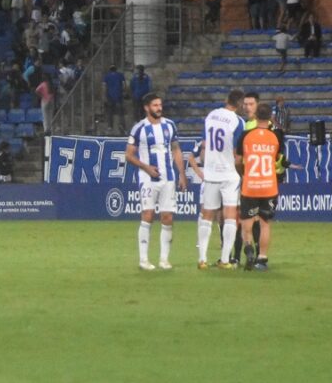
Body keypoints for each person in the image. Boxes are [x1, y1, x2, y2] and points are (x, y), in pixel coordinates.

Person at [125, 93, 188, 270]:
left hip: (168, 178)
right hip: (148, 179)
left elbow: (176, 150)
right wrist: (146, 167)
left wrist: (182, 175)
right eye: (155, 105)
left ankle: (164, 259)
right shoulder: (139, 128)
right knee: (148, 215)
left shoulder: (170, 125)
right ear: (147, 107)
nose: (159, 108)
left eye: (160, 105)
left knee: (167, 217)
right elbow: (129, 155)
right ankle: (143, 259)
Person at [196, 89, 245, 270]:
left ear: (226, 100)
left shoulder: (211, 116)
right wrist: (240, 172)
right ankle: (225, 260)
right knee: (230, 215)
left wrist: (207, 162)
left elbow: (203, 147)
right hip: (229, 173)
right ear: (239, 104)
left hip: (211, 173)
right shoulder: (238, 122)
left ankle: (202, 259)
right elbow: (236, 154)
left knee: (207, 215)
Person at [235, 103, 283, 271]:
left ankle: (248, 249)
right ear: (270, 117)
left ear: (255, 116)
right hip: (269, 186)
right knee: (265, 224)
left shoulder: (246, 136)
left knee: (246, 224)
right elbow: (277, 160)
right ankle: (262, 259)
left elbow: (238, 161)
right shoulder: (275, 137)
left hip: (250, 185)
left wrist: (243, 174)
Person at [103, 64, 126, 134]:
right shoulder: (120, 75)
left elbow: (104, 86)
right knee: (120, 112)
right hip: (119, 95)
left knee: (110, 112)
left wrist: (104, 96)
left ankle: (110, 127)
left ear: (110, 69)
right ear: (116, 69)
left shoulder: (106, 76)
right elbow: (124, 85)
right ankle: (122, 126)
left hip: (110, 96)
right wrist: (123, 92)